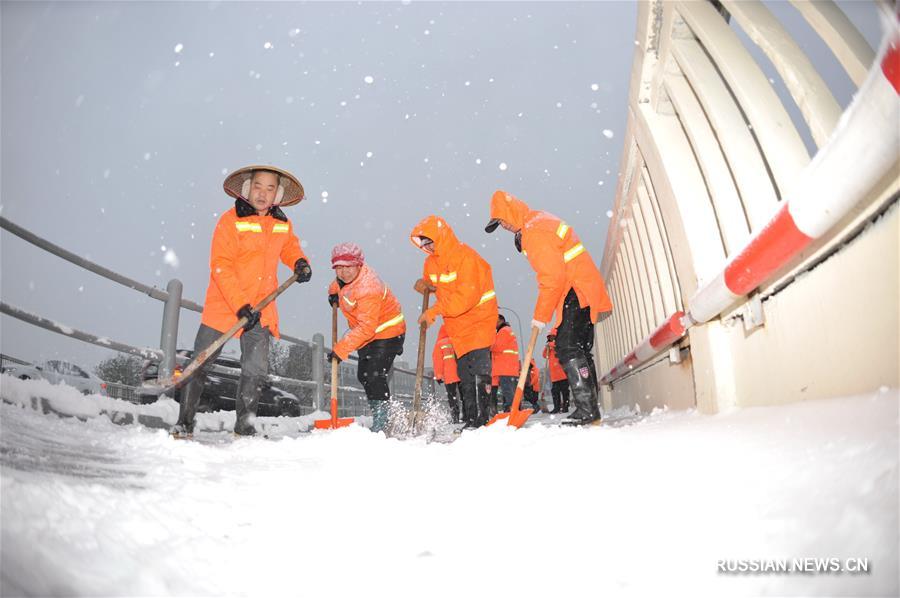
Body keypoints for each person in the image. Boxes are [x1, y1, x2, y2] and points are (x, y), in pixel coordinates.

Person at [172, 165, 312, 437]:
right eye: (258, 186)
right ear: (248, 188)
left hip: (261, 308)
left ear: (277, 194)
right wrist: (239, 305)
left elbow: (289, 246)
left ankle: (244, 428)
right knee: (201, 362)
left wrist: (299, 261)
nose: (263, 193)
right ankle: (184, 423)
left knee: (255, 372)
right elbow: (221, 265)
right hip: (225, 306)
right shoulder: (230, 220)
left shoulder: (281, 223)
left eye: (270, 188)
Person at [485, 190, 613, 426]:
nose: (502, 226)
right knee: (580, 349)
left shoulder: (534, 233)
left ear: (511, 212)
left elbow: (552, 279)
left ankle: (588, 410)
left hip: (576, 289)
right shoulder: (538, 220)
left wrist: (539, 317)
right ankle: (591, 408)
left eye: (502, 220)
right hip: (580, 287)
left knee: (567, 348)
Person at [410, 215, 498, 428]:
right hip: (457, 327)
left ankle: (481, 420)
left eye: (430, 241)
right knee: (464, 374)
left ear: (440, 236)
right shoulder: (430, 262)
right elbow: (435, 284)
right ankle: (471, 419)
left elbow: (465, 297)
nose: (428, 247)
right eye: (423, 244)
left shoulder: (465, 257)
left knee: (478, 371)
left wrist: (434, 311)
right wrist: (424, 285)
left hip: (478, 320)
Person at [326, 243, 406, 434]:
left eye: (349, 267)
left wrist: (341, 349)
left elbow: (367, 328)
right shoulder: (343, 280)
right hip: (367, 335)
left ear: (359, 265)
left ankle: (383, 419)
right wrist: (333, 295)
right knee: (363, 374)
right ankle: (380, 412)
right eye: (339, 268)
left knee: (373, 373)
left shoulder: (369, 287)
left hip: (388, 332)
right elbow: (337, 285)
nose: (344, 272)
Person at [432, 325, 461, 424]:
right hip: (461, 373)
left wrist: (439, 376)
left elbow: (438, 361)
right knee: (464, 395)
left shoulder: (440, 344)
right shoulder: (458, 340)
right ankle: (468, 415)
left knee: (452, 396)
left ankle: (455, 417)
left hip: (449, 374)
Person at [491, 314, 520, 411]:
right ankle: (514, 409)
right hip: (510, 367)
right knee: (511, 391)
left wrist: (489, 345)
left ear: (500, 321)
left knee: (508, 392)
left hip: (505, 367)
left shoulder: (503, 331)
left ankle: (511, 411)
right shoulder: (508, 331)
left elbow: (497, 347)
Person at [542, 329, 570, 413]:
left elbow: (559, 347)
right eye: (550, 337)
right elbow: (544, 355)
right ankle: (556, 407)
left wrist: (551, 345)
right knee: (555, 392)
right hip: (554, 376)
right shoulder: (549, 348)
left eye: (552, 337)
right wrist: (546, 348)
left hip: (563, 374)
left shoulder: (560, 344)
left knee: (565, 392)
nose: (551, 339)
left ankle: (565, 407)